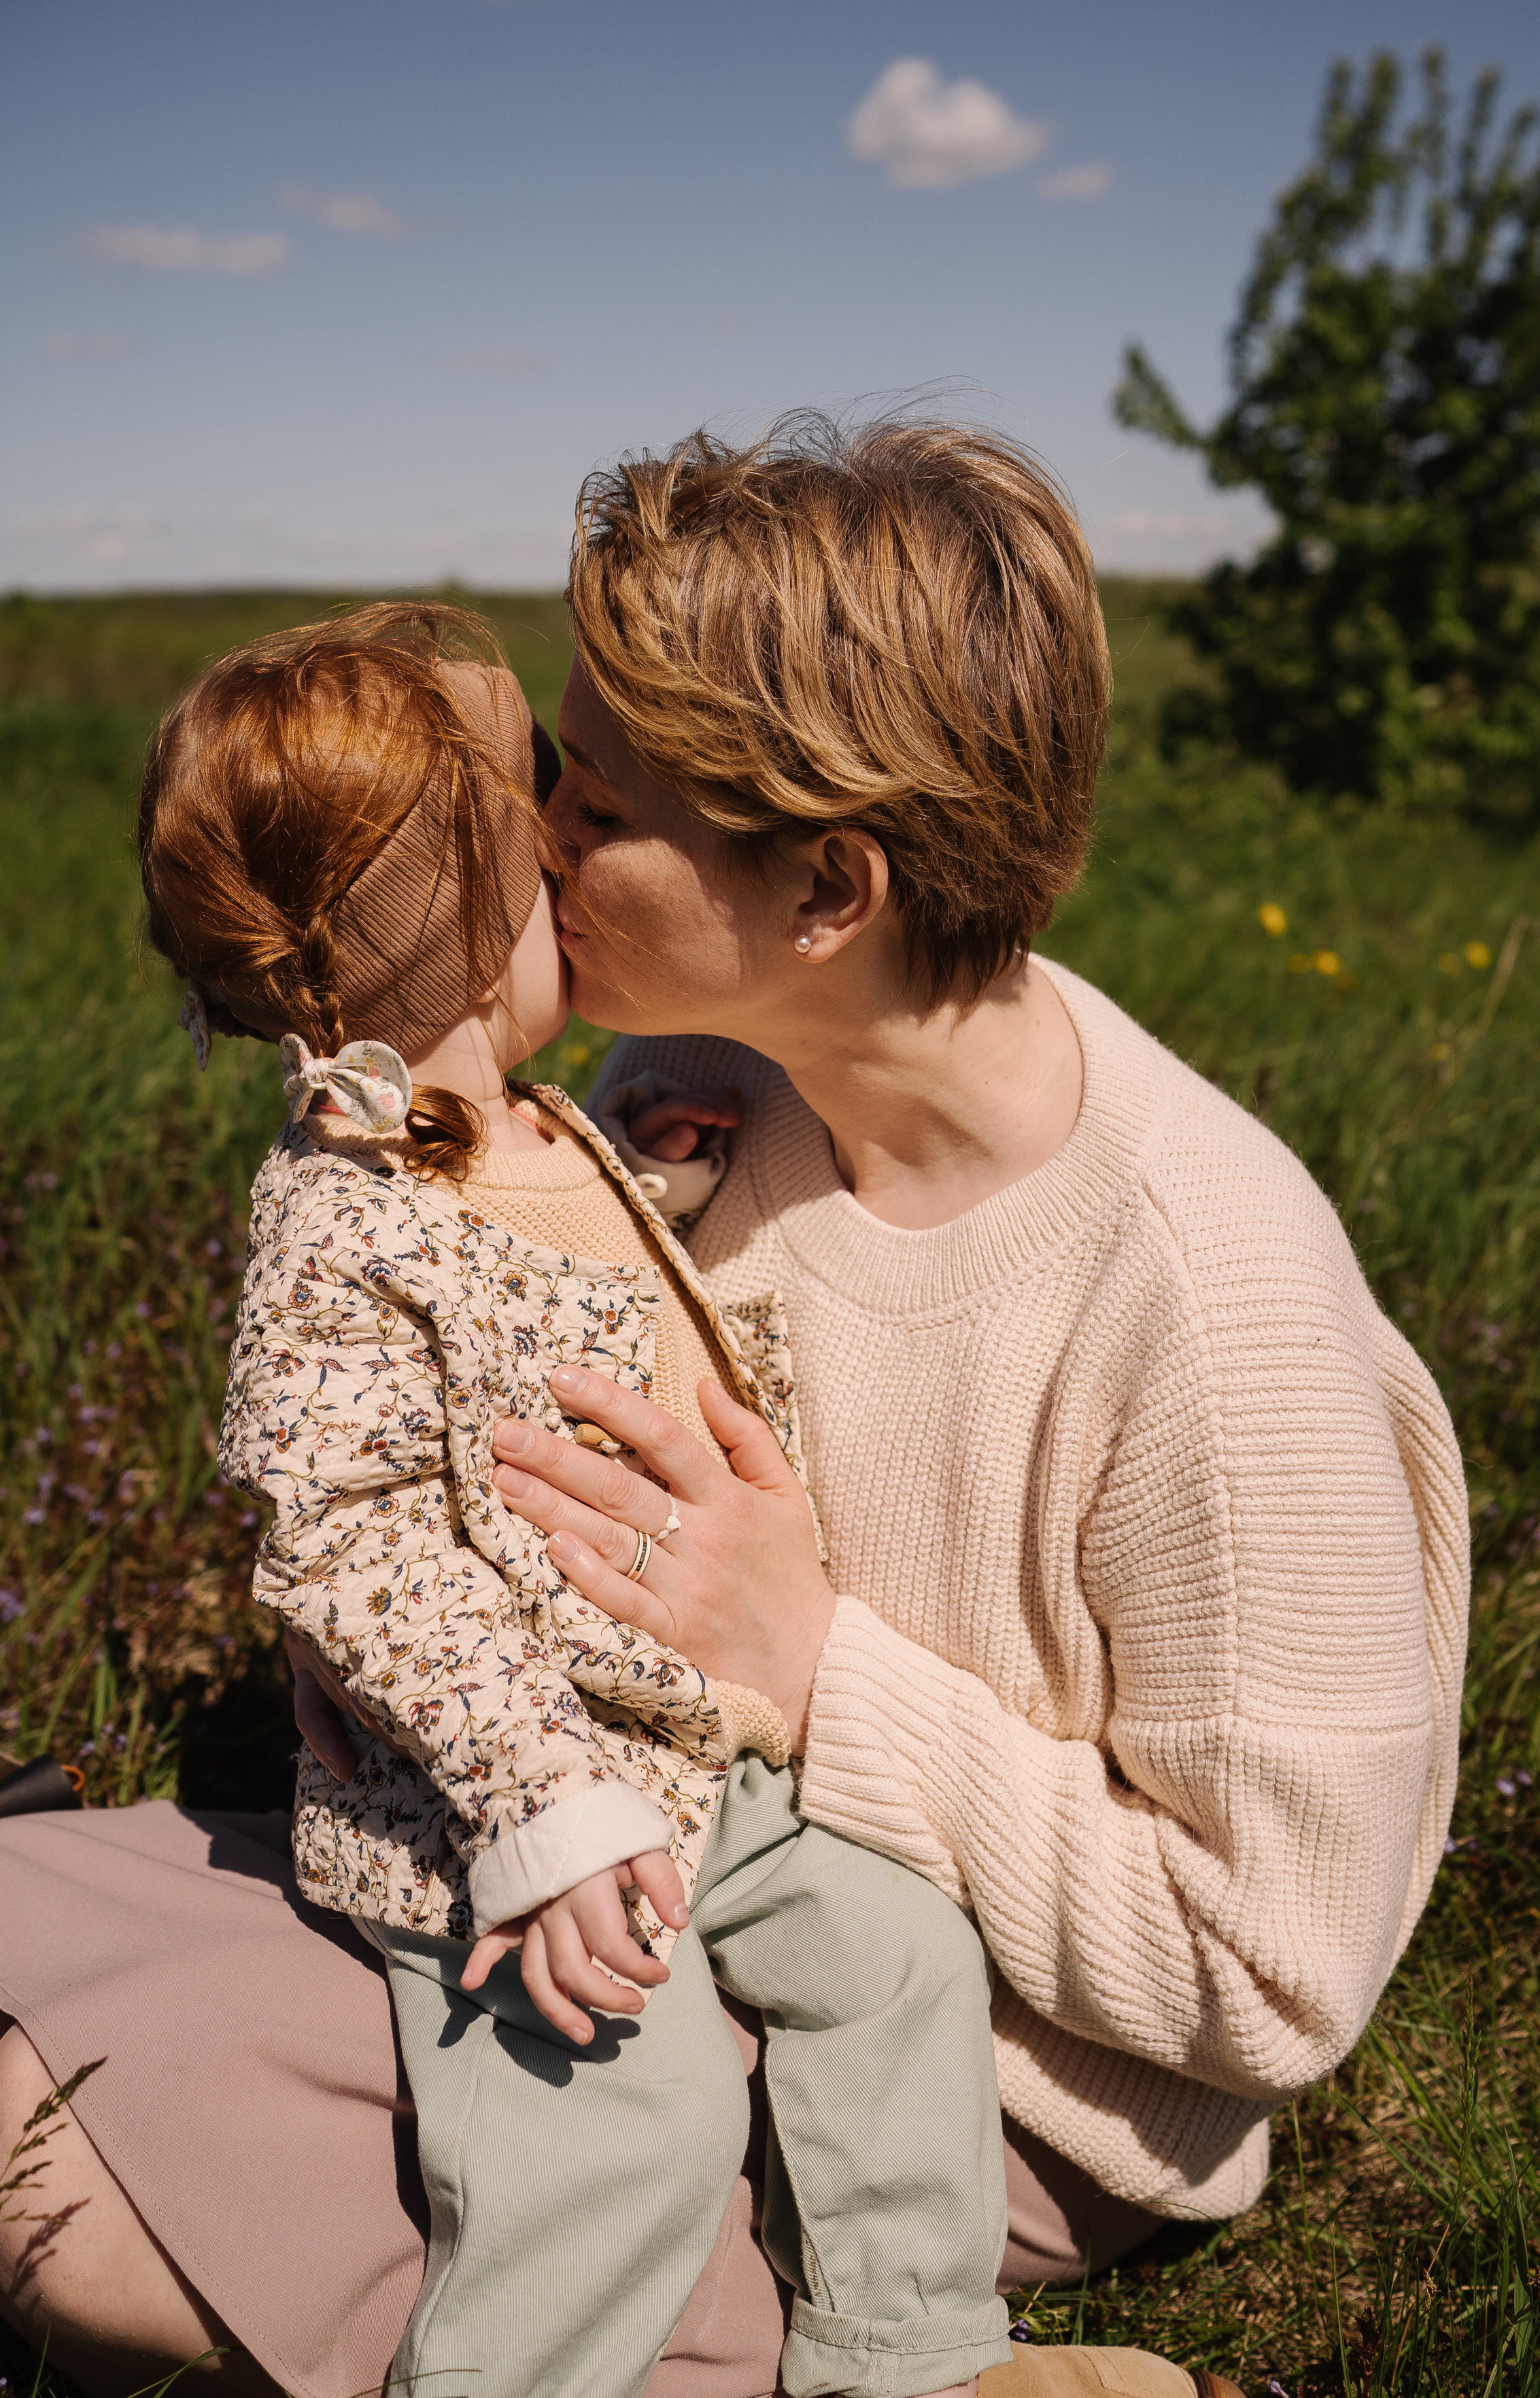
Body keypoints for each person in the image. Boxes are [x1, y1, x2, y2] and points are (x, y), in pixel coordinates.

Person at [0, 416, 1466, 2398]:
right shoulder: (699, 1077)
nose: (520, 842)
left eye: (581, 802)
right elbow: (451, 1378)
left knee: (67, 2191)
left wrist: (822, 1667)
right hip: (621, 1837)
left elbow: (1270, 1979)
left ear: (834, 889)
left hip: (970, 2072)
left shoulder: (1215, 1307)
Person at [0, 602, 1013, 2398]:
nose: (578, 878)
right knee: (632, 2124)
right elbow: (350, 1540)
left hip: (687, 1744)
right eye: (545, 870)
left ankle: (908, 2360)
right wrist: (535, 1814)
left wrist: (661, 1191)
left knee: (902, 1959)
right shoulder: (340, 1217)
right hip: (497, 1797)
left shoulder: (534, 1127)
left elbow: (546, 1303)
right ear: (468, 943)